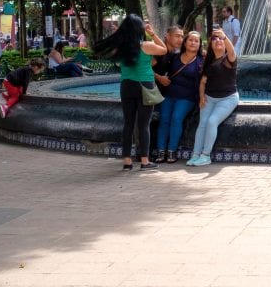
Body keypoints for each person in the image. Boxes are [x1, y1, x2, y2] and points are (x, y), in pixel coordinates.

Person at [93, 14, 168, 171]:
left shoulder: (120, 48)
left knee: (128, 123)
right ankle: (145, 161)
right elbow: (164, 50)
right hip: (144, 86)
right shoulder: (146, 46)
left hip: (126, 85)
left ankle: (127, 161)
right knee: (143, 125)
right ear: (140, 29)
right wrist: (152, 33)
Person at [188, 27, 238, 166]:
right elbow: (203, 82)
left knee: (212, 121)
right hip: (209, 97)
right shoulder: (208, 61)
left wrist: (224, 36)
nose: (218, 41)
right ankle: (195, 154)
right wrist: (201, 96)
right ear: (210, 44)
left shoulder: (229, 59)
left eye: (220, 39)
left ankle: (206, 156)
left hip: (228, 98)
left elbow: (232, 51)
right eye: (214, 39)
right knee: (202, 123)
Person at [153, 31, 204, 164]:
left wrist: (202, 99)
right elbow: (156, 65)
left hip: (187, 97)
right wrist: (160, 78)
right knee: (164, 119)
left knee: (176, 118)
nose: (193, 43)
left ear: (200, 45)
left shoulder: (201, 61)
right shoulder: (174, 57)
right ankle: (161, 150)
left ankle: (172, 151)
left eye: (196, 41)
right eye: (190, 40)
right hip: (169, 94)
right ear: (185, 42)